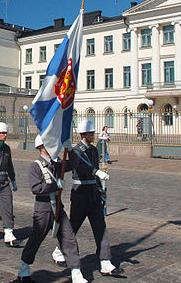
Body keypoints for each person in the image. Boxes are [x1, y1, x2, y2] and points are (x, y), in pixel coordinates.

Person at [52, 120, 124, 277]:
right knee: (73, 226)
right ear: (84, 134)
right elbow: (80, 167)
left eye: (93, 133)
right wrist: (95, 172)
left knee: (100, 227)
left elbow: (95, 168)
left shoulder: (93, 150)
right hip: (80, 192)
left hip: (93, 192)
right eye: (91, 133)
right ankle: (59, 249)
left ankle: (105, 261)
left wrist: (100, 189)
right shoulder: (75, 151)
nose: (93, 135)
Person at [17, 135, 88, 283]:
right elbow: (35, 188)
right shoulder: (35, 166)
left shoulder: (57, 164)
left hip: (58, 207)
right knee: (36, 239)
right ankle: (24, 268)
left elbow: (73, 164)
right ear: (41, 148)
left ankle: (76, 272)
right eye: (49, 144)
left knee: (69, 238)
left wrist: (69, 148)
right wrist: (55, 186)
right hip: (43, 209)